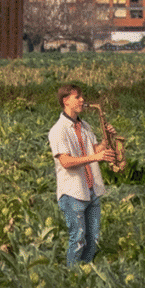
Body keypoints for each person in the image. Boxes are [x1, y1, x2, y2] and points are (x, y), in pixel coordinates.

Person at [48, 84, 115, 266]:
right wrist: (96, 156)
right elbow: (66, 162)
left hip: (91, 189)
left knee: (93, 239)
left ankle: (87, 275)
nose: (82, 100)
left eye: (81, 96)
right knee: (77, 239)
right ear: (66, 101)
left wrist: (106, 140)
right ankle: (72, 279)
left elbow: (93, 150)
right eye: (77, 97)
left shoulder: (84, 125)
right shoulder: (58, 130)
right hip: (72, 193)